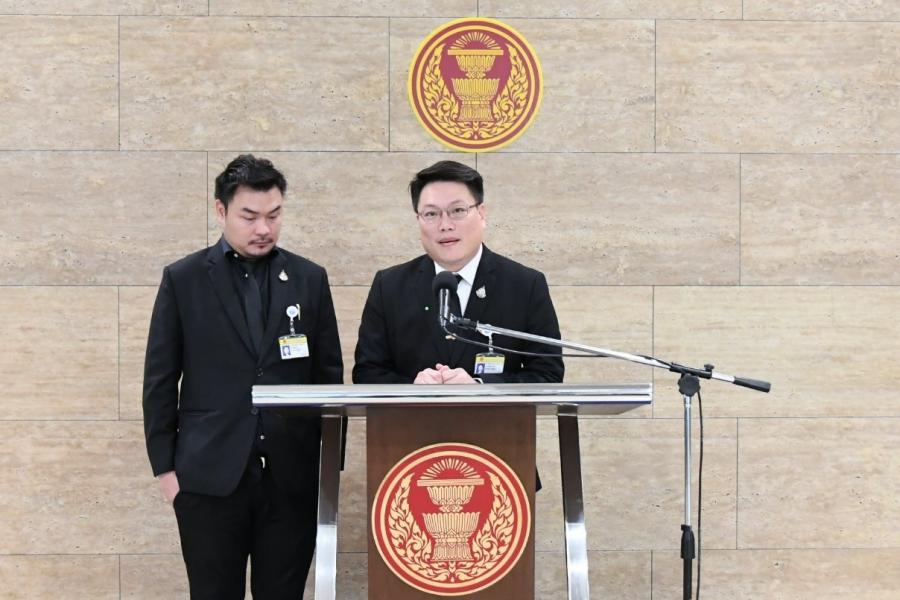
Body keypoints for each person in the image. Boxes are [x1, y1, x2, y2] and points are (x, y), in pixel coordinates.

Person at [142, 154, 343, 599]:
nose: (263, 229)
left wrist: (329, 469)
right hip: (208, 480)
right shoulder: (184, 279)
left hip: (291, 481)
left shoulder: (309, 279)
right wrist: (167, 473)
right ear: (221, 211)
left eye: (274, 215)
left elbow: (329, 378)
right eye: (249, 217)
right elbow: (159, 380)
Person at [352, 160, 563, 385]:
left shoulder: (525, 285)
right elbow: (367, 373)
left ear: (482, 213)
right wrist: (412, 390)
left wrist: (480, 388)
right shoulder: (389, 286)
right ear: (418, 220)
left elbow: (547, 374)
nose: (445, 225)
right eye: (431, 214)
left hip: (493, 410)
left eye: (458, 211)